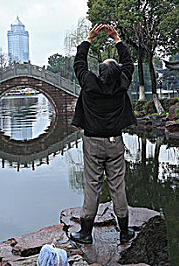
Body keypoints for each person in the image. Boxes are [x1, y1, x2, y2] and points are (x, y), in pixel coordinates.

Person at [69, 24, 137, 245]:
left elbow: (79, 63)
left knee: (92, 184)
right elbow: (128, 63)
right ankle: (125, 232)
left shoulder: (89, 83)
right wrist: (117, 39)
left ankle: (86, 234)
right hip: (115, 141)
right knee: (118, 185)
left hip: (93, 143)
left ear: (100, 72)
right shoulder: (121, 85)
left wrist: (89, 39)